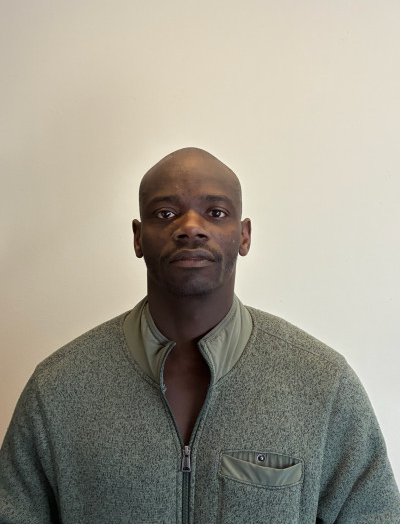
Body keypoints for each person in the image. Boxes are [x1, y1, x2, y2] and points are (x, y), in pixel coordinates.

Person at [0, 147, 399, 523]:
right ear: (138, 236)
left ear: (244, 235)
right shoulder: (57, 388)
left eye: (216, 212)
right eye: (165, 213)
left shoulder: (322, 383)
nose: (190, 227)